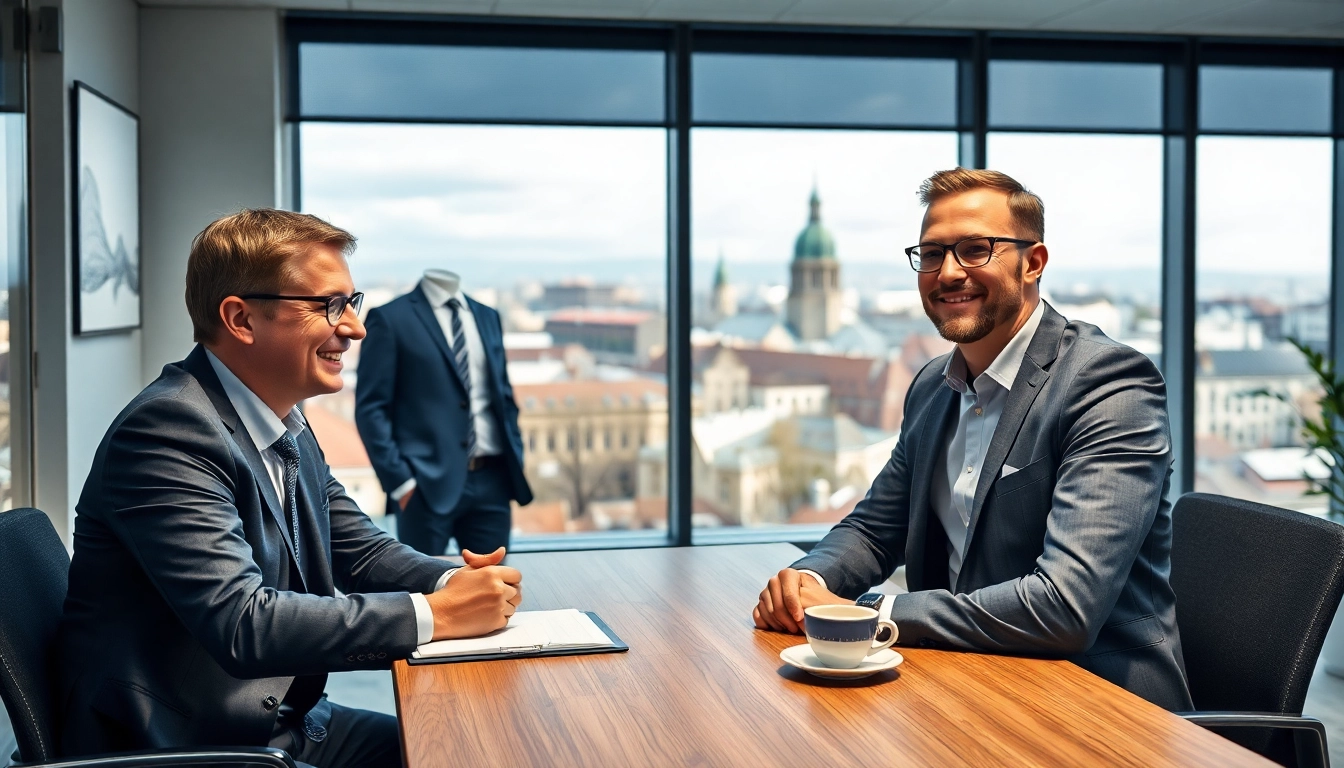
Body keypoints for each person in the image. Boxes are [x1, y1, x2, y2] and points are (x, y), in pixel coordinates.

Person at [57, 210, 523, 766]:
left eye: (353, 302)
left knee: (473, 750)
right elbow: (244, 623)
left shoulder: (285, 421)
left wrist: (457, 580)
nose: (355, 328)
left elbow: (361, 550)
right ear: (241, 319)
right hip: (186, 744)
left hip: (279, 721)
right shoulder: (166, 431)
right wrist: (438, 613)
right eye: (329, 306)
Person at [753, 168, 1193, 711]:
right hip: (963, 685)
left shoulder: (1108, 385)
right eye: (932, 254)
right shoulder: (932, 386)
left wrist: (871, 612)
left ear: (1033, 263)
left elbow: (1064, 607)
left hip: (1102, 709)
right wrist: (805, 585)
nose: (949, 272)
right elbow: (873, 531)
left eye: (975, 250)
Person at [356, 268, 532, 557]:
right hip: (423, 487)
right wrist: (401, 483)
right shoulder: (390, 318)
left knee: (493, 589)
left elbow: (503, 396)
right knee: (425, 593)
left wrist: (516, 456)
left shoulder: (488, 316)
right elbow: (371, 409)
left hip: (493, 481)